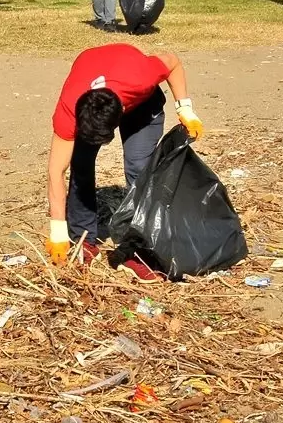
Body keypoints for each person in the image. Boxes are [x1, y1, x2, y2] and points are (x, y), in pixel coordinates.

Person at [45, 44, 205, 282]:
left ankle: (138, 249)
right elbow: (55, 171)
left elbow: (172, 62)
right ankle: (83, 239)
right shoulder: (69, 112)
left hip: (140, 99)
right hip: (93, 80)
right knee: (81, 167)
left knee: (140, 168)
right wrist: (57, 231)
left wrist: (185, 109)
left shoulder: (140, 78)